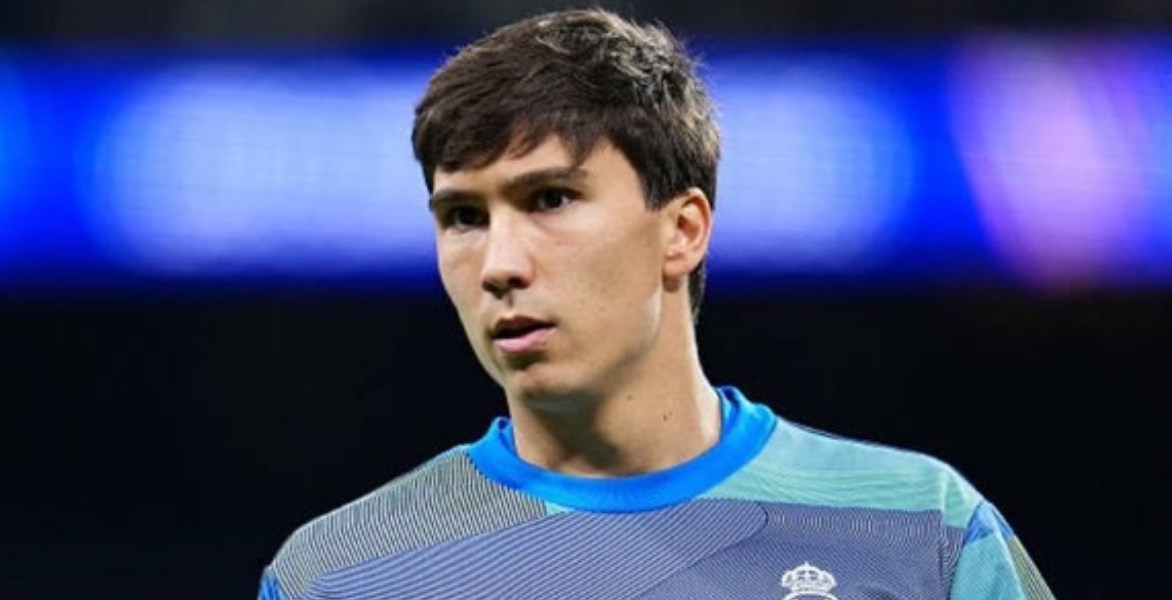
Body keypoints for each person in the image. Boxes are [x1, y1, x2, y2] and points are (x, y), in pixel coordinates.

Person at [257, 8, 1056, 600]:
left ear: (683, 231)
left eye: (551, 199)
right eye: (464, 217)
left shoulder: (927, 532)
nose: (499, 263)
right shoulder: (339, 574)